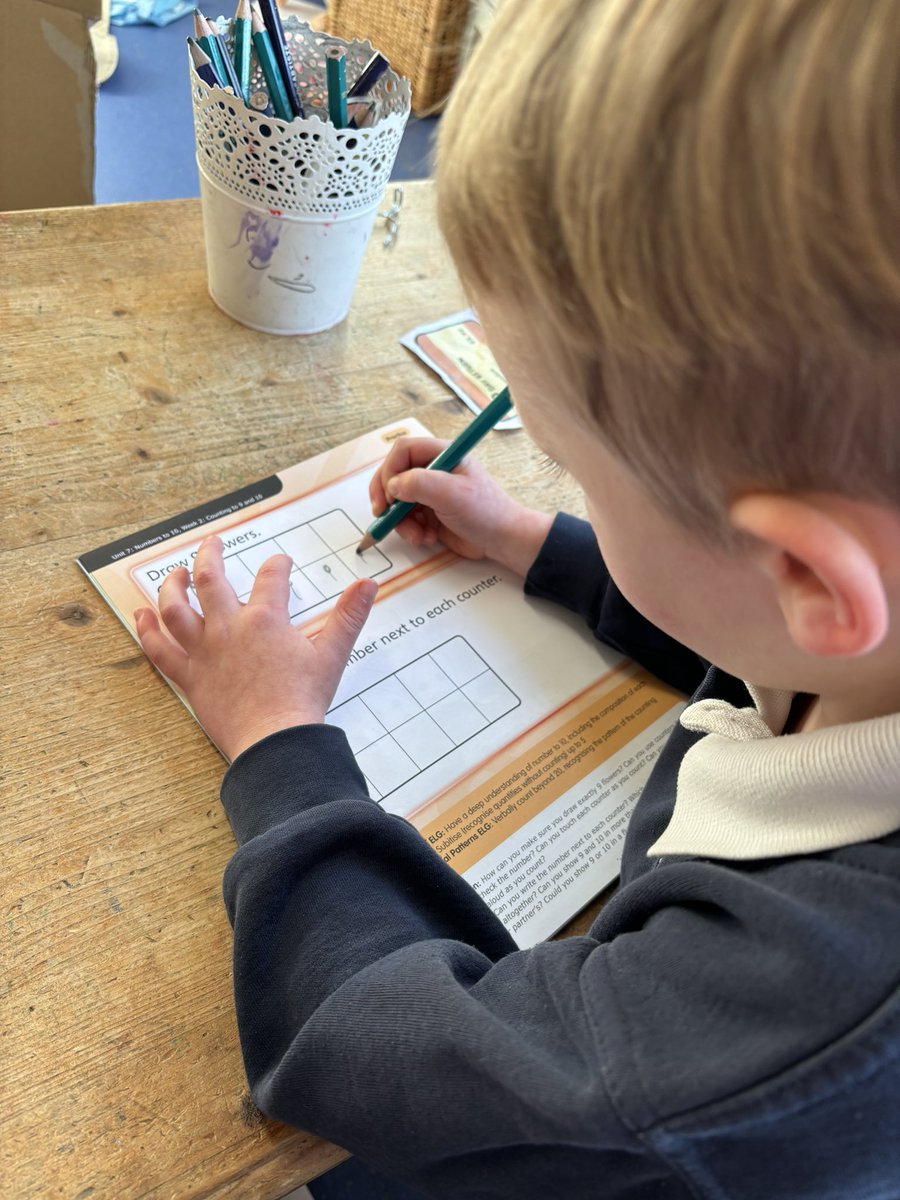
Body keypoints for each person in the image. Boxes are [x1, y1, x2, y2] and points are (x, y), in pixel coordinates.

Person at [133, 1, 900, 1196]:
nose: (566, 486)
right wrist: (546, 543)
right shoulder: (867, 638)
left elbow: (367, 1051)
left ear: (808, 576)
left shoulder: (772, 1015)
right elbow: (756, 638)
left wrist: (279, 740)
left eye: (577, 466)